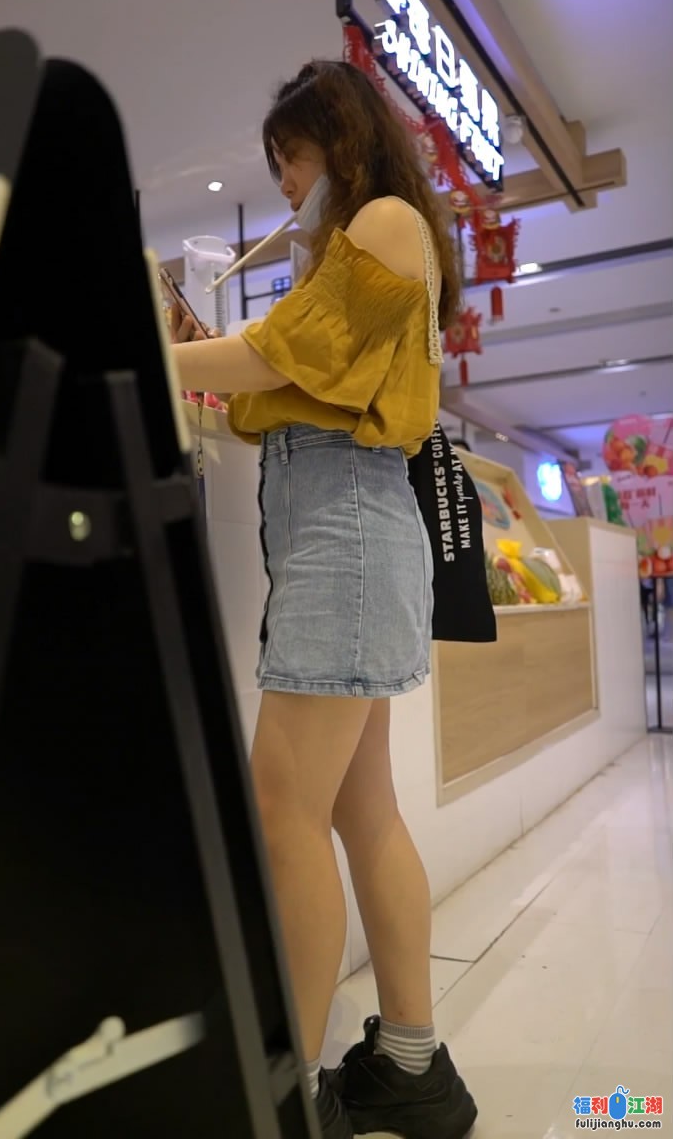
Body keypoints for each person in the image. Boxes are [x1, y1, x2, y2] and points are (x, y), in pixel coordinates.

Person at [171, 60, 477, 1139]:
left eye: (291, 157)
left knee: (284, 811)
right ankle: (408, 1066)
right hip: (344, 534)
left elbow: (277, 358)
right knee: (355, 811)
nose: (286, 181)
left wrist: (165, 352)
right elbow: (282, 385)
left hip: (344, 535)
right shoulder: (362, 243)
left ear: (338, 142)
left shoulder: (384, 222)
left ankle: (292, 1093)